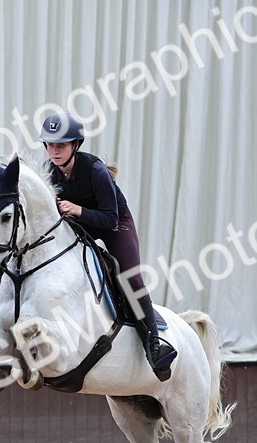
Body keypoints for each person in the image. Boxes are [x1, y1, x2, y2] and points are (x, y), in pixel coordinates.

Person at [38, 111, 177, 381]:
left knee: (129, 276)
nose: (54, 151)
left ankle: (154, 344)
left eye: (61, 145)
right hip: (80, 222)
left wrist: (77, 209)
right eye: (50, 145)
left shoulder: (96, 170)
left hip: (114, 224)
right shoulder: (49, 173)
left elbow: (109, 218)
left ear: (75, 145)